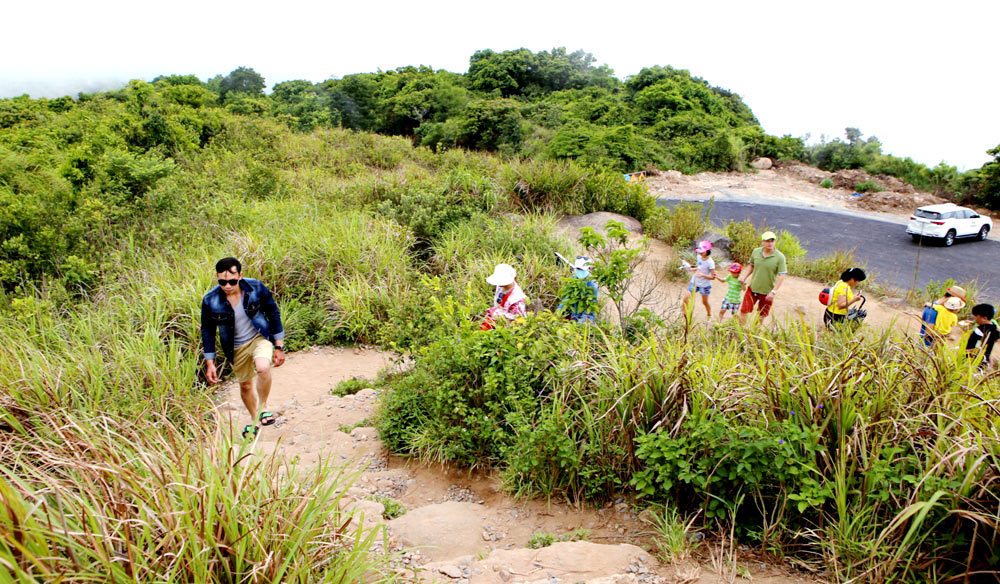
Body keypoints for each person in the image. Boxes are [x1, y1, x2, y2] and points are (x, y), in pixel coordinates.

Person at [201, 257, 286, 440]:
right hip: (235, 347)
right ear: (217, 278)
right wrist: (210, 362)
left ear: (240, 275)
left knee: (263, 367)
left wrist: (279, 345)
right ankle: (255, 419)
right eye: (222, 281)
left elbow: (273, 312)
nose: (228, 286)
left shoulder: (255, 287)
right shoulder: (210, 300)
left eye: (232, 281)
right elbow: (207, 330)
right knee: (246, 386)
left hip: (258, 336)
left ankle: (263, 408)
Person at [738, 231, 787, 324]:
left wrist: (773, 292)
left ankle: (755, 332)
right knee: (744, 310)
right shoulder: (756, 252)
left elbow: (782, 275)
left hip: (767, 292)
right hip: (753, 288)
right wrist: (744, 277)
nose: (770, 243)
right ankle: (740, 331)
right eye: (767, 241)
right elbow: (751, 265)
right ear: (762, 242)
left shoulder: (780, 257)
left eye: (772, 240)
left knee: (762, 315)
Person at [481, 263, 528, 330]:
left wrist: (496, 313)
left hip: (510, 326)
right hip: (498, 317)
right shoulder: (501, 287)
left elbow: (517, 318)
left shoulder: (517, 299)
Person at [681, 240, 717, 319]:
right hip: (695, 281)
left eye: (702, 251)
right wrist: (690, 268)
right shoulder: (699, 257)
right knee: (686, 297)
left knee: (704, 302)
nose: (700, 253)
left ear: (707, 251)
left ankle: (709, 315)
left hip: (705, 285)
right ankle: (683, 314)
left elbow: (713, 277)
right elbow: (699, 268)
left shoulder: (710, 263)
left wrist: (703, 275)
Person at [557, 256, 599, 323]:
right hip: (572, 316)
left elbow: (590, 310)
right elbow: (565, 300)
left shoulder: (593, 286)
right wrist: (557, 314)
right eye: (578, 269)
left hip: (585, 319)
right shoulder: (572, 280)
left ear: (588, 269)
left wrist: (580, 324)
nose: (580, 272)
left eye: (582, 270)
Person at [965, 303, 997, 370]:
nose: (975, 318)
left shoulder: (979, 331)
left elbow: (976, 346)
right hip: (985, 358)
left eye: (976, 316)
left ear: (984, 318)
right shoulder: (995, 328)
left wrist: (966, 352)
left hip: (974, 358)